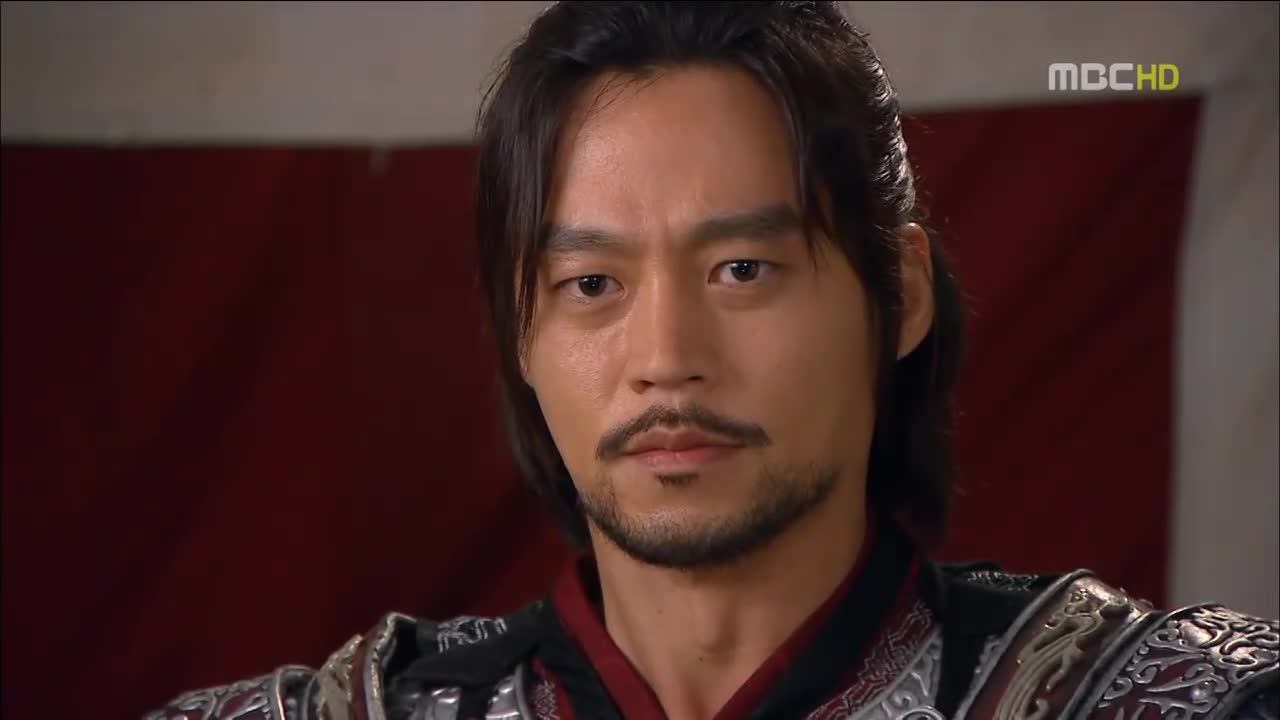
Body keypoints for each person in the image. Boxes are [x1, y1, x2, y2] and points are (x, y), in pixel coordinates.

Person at [143, 2, 1279, 719]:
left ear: (900, 295)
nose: (664, 360)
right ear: (520, 335)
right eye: (592, 286)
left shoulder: (1155, 701)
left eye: (741, 269)